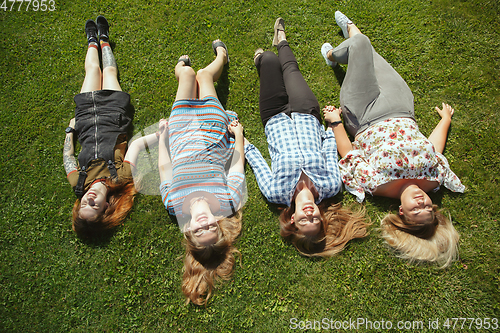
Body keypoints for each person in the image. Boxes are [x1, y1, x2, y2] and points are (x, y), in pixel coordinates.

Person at [321, 11, 465, 267]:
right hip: (402, 106)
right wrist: (445, 121)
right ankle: (351, 35)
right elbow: (433, 148)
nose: (422, 204)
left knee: (362, 46)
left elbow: (349, 154)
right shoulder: (434, 179)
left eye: (416, 211)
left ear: (401, 212)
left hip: (364, 113)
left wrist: (334, 122)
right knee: (369, 54)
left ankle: (333, 56)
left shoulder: (377, 185)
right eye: (429, 210)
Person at [245, 18, 369, 258]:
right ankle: (281, 39)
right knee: (291, 70)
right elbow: (329, 150)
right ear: (322, 217)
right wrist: (332, 123)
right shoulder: (331, 187)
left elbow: (258, 162)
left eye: (304, 221)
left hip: (274, 117)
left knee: (268, 61)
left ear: (293, 218)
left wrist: (241, 139)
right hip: (306, 114)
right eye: (315, 220)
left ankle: (263, 61)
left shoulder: (276, 193)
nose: (309, 214)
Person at [158, 40, 246, 305]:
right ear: (219, 228)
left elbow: (165, 168)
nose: (205, 224)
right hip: (212, 129)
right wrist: (238, 136)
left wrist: (163, 138)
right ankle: (222, 55)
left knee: (185, 73)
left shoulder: (173, 205)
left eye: (200, 231)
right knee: (204, 75)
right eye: (212, 229)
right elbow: (236, 164)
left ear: (189, 233)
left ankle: (181, 68)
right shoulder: (229, 201)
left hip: (182, 129)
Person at [64, 16, 146, 238]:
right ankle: (105, 40)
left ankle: (92, 40)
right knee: (108, 72)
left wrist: (70, 132)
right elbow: (136, 146)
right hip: (113, 114)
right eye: (93, 206)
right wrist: (160, 135)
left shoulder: (78, 182)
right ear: (106, 207)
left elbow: (68, 158)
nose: (87, 201)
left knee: (92, 72)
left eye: (83, 206)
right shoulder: (120, 179)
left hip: (87, 119)